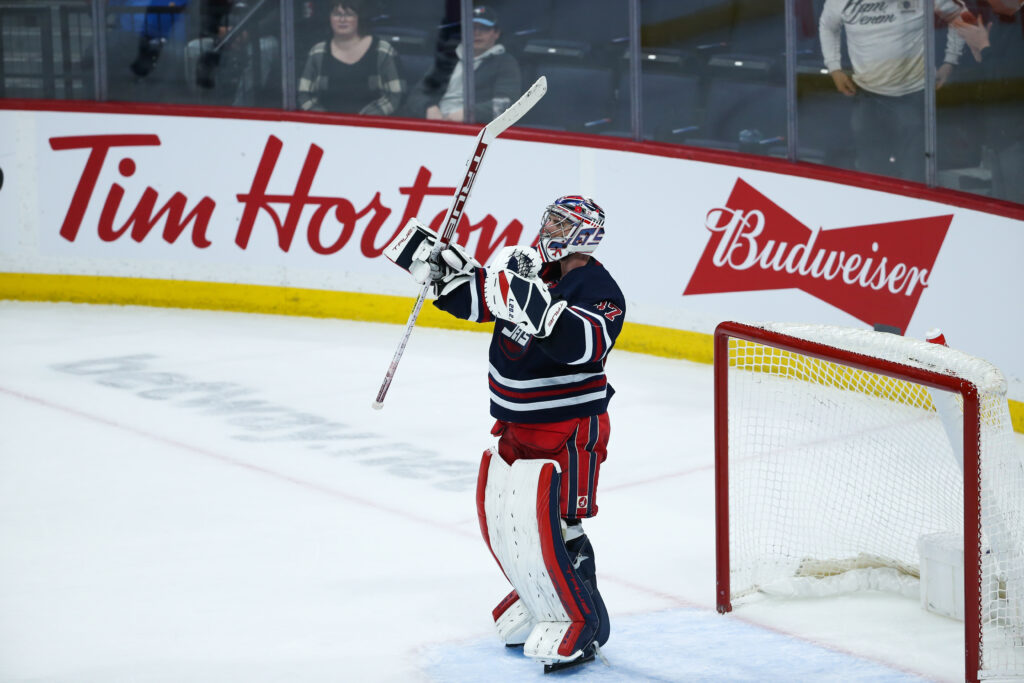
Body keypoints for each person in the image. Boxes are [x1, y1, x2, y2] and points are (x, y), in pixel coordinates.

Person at [383, 196, 625, 672]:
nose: (549, 227)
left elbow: (586, 344)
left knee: (557, 524)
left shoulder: (598, 287)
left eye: (562, 223)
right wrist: (443, 276)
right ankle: (543, 602)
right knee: (507, 520)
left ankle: (585, 623)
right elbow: (483, 300)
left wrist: (533, 302)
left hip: (567, 426)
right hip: (516, 421)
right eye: (550, 218)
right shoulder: (534, 266)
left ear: (585, 233)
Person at [819, 0, 967, 182]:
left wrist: (950, 62)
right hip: (866, 97)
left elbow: (960, 15)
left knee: (916, 178)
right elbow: (827, 25)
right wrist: (834, 67)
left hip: (914, 96)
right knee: (871, 176)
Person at [951, 0, 1024, 204]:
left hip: (1016, 135)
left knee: (1014, 204)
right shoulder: (1002, 20)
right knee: (1002, 203)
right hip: (999, 133)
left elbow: (1005, 81)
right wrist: (979, 50)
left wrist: (983, 46)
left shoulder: (1017, 25)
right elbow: (990, 71)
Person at [403, 6, 522, 123]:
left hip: (475, 130)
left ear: (496, 33)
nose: (476, 33)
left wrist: (468, 114)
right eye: (471, 28)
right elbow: (417, 95)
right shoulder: (447, 59)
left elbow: (505, 104)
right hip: (436, 124)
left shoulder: (505, 63)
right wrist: (428, 108)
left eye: (484, 28)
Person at [297, 0, 404, 115]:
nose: (342, 20)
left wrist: (363, 120)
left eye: (349, 14)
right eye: (337, 14)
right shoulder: (317, 52)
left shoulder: (383, 51)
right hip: (325, 128)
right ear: (329, 18)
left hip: (372, 128)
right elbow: (304, 95)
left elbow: (396, 96)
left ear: (360, 17)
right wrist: (326, 119)